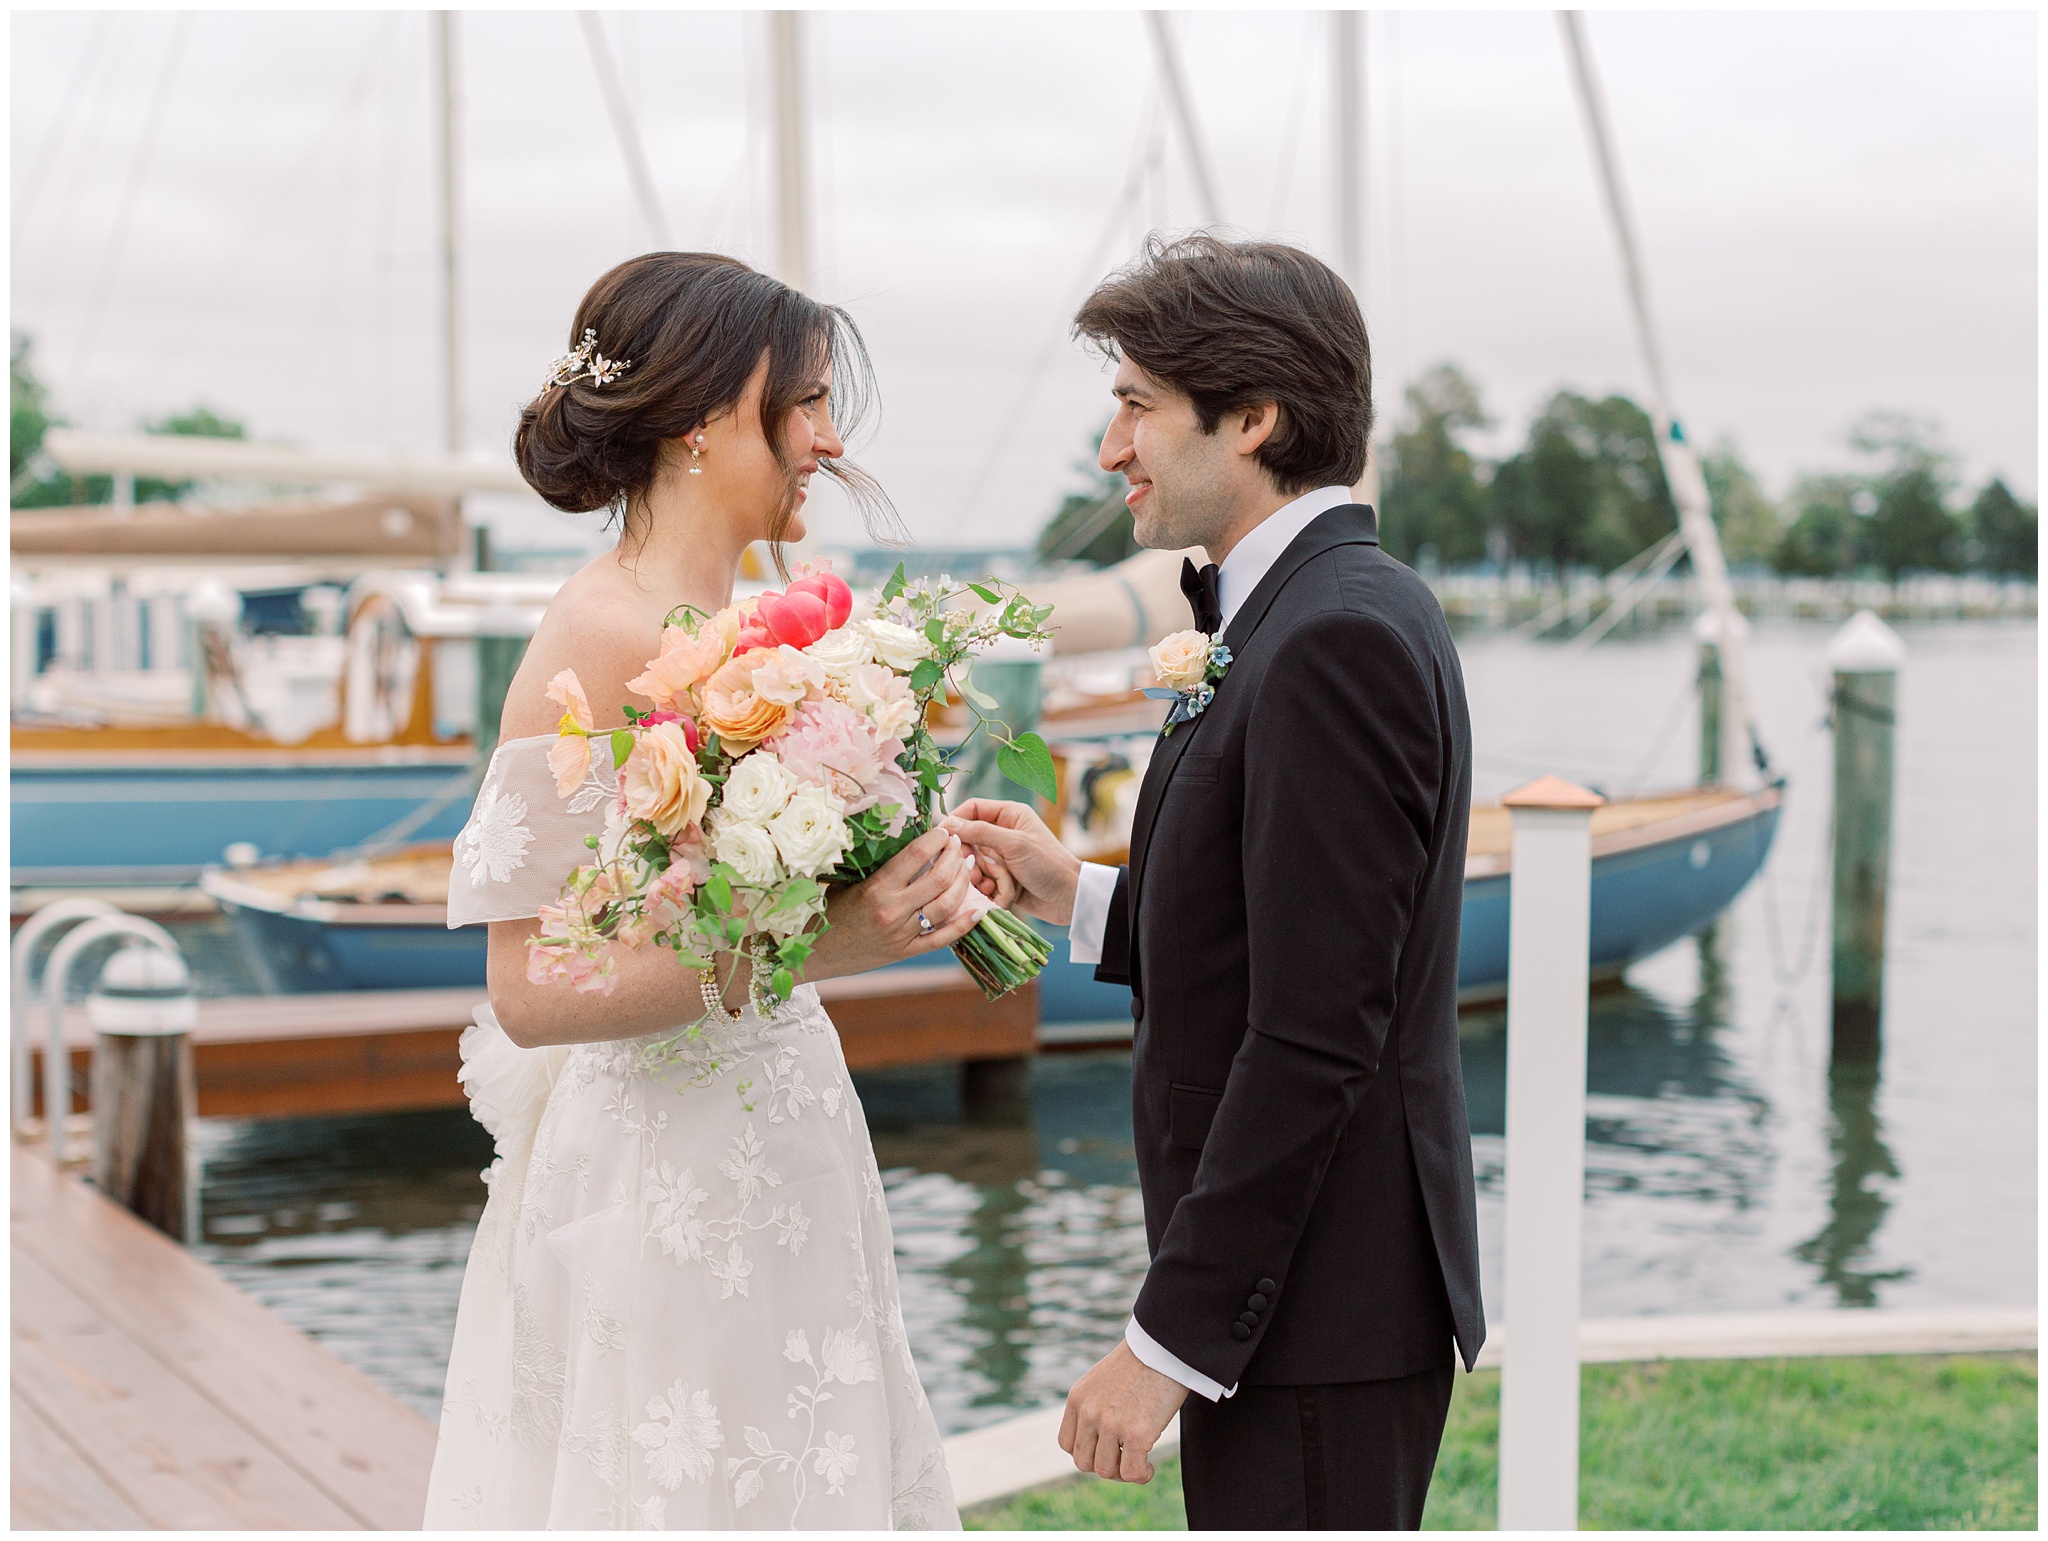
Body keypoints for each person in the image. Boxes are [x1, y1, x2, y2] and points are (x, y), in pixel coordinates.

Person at [948, 234, 1485, 1530]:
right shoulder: (1287, 612)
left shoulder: (1334, 636)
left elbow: (1315, 1030)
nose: (1110, 447)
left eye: (1135, 405)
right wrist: (1066, 890)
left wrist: (1166, 1343)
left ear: (1253, 419)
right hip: (1306, 1304)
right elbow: (1270, 935)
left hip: (1320, 1311)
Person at [423, 252, 963, 1529]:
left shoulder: (775, 622)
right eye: (809, 404)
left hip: (790, 1132)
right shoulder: (599, 633)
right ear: (701, 417)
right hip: (662, 1167)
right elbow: (530, 989)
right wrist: (819, 946)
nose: (830, 441)